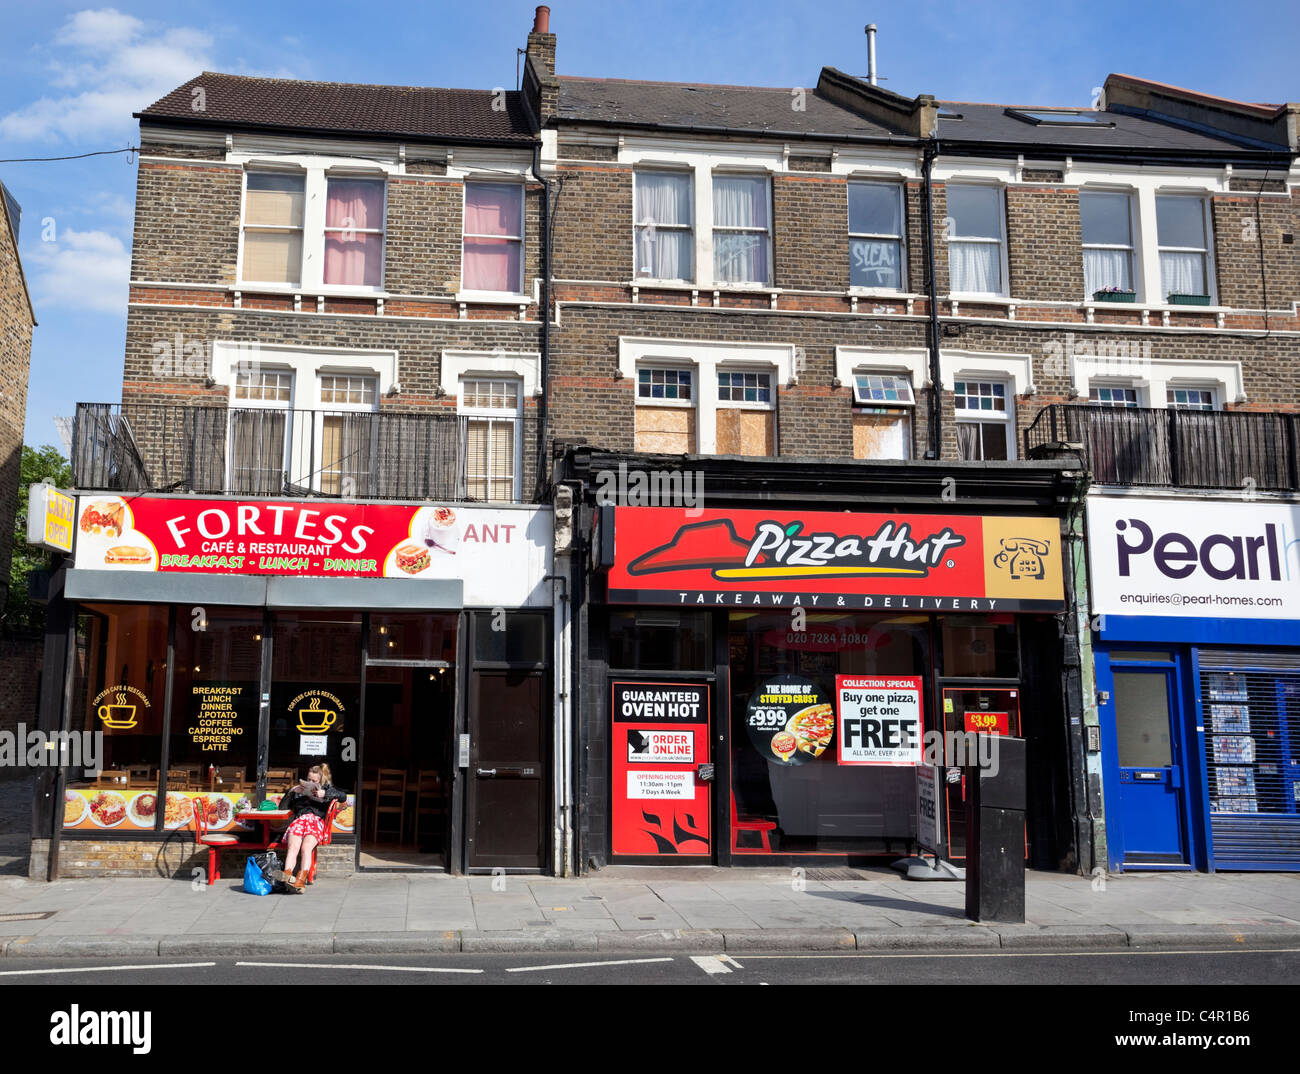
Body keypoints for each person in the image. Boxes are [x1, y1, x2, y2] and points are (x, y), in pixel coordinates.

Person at [274, 763, 347, 892]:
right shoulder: (299, 791)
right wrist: (291, 792)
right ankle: (287, 876)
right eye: (308, 780)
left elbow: (343, 796)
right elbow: (282, 808)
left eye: (314, 781)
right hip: (300, 821)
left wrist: (324, 793)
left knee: (306, 848)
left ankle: (301, 880)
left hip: (315, 822)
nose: (310, 782)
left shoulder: (326, 790)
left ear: (320, 780)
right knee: (293, 847)